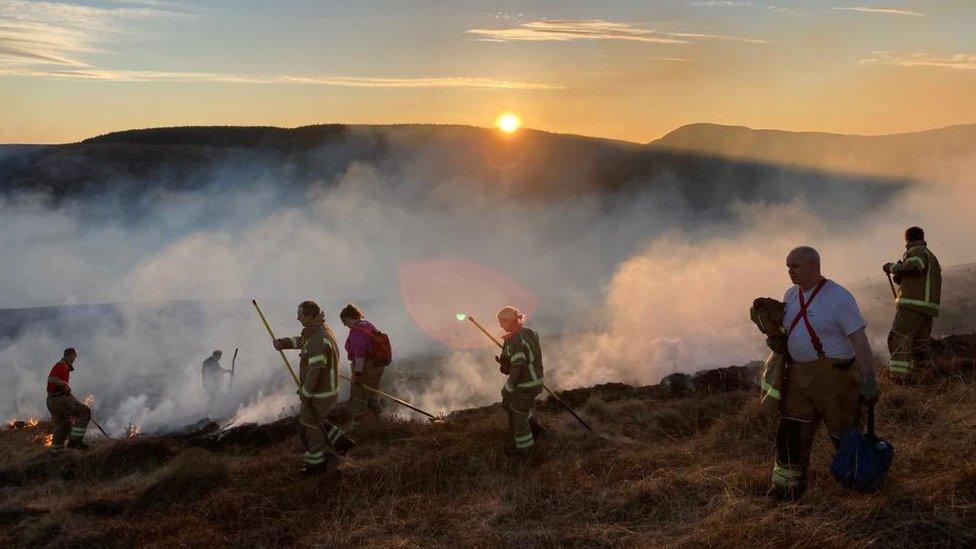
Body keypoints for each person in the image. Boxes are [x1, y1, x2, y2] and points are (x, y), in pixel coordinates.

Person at [767, 246, 879, 501]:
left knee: (844, 436)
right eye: (787, 266)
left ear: (813, 266)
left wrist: (869, 380)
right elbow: (789, 331)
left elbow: (860, 342)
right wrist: (777, 341)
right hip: (798, 378)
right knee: (790, 432)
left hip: (835, 380)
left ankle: (864, 486)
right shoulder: (790, 295)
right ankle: (786, 489)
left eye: (794, 266)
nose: (789, 271)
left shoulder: (839, 297)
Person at [273, 300, 355, 474]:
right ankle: (342, 442)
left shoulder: (318, 337)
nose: (298, 318)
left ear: (310, 316)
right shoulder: (319, 331)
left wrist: (306, 392)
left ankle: (316, 466)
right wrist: (283, 343)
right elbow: (303, 341)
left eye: (300, 315)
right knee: (317, 419)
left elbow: (315, 370)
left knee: (310, 425)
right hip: (326, 389)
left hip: (321, 392)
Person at [883, 226, 942, 380]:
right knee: (919, 344)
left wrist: (893, 267)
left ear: (907, 239)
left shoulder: (916, 251)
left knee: (898, 339)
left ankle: (899, 380)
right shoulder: (930, 256)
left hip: (912, 306)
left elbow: (914, 268)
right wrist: (901, 278)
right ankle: (925, 376)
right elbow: (918, 276)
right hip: (926, 308)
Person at [495, 306, 546, 454]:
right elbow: (526, 360)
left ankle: (527, 453)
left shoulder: (515, 340)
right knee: (511, 406)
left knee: (518, 418)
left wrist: (508, 389)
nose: (500, 326)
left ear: (510, 321)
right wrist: (505, 365)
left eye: (502, 322)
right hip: (535, 380)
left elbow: (518, 367)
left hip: (525, 385)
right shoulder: (531, 333)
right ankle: (537, 431)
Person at [339, 304, 385, 425]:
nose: (344, 325)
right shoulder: (368, 325)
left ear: (348, 318)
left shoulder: (356, 332)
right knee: (373, 394)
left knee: (359, 398)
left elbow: (360, 355)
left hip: (366, 367)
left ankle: (357, 426)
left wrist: (358, 374)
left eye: (344, 321)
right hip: (377, 365)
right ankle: (379, 421)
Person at [45, 348, 92, 450]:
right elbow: (51, 379)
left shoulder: (64, 366)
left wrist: (65, 390)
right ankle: (75, 442)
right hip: (58, 400)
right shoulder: (61, 366)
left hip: (52, 400)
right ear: (70, 355)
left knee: (63, 423)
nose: (75, 359)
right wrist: (64, 384)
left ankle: (56, 451)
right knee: (84, 411)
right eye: (74, 356)